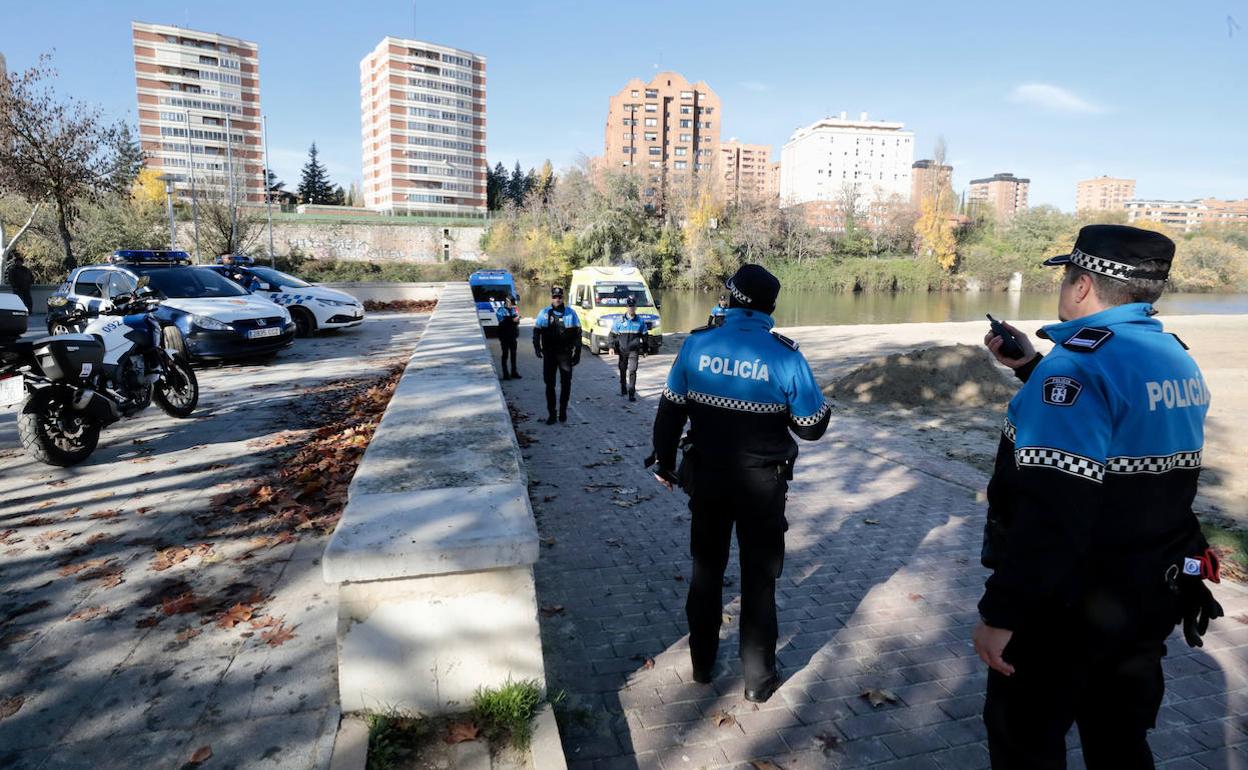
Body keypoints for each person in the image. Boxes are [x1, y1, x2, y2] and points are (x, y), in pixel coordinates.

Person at [974, 225, 1224, 768]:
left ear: (1083, 285)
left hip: (1067, 609)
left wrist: (1001, 614)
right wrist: (1029, 368)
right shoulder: (1173, 357)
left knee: (1025, 741)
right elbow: (1120, 437)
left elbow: (1052, 514)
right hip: (1146, 595)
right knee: (1118, 740)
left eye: (1066, 276)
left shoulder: (1077, 366)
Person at [649, 264, 830, 703]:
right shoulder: (785, 355)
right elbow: (809, 427)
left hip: (708, 481)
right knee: (759, 581)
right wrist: (821, 409)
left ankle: (701, 665)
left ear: (729, 300)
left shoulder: (697, 344)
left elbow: (670, 409)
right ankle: (758, 681)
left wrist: (664, 462)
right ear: (770, 307)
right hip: (763, 489)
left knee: (706, 573)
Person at [533, 286, 581, 425]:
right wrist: (537, 347)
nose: (557, 299)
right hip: (549, 354)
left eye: (559, 297)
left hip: (565, 354)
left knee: (566, 384)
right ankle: (552, 413)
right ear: (551, 297)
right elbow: (537, 331)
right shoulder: (544, 313)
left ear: (563, 298)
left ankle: (563, 411)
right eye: (554, 297)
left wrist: (577, 353)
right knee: (549, 384)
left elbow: (578, 335)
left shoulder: (571, 313)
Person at [609, 297, 648, 401]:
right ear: (626, 307)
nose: (631, 308)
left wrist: (645, 350)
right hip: (622, 350)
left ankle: (631, 393)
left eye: (633, 306)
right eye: (629, 306)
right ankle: (623, 387)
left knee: (632, 370)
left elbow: (645, 337)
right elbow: (612, 335)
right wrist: (611, 347)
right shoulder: (619, 321)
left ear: (636, 307)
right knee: (622, 370)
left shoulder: (640, 321)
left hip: (634, 351)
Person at [496, 296, 521, 380]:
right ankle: (505, 374)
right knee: (505, 354)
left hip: (513, 336)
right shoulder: (501, 310)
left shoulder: (513, 309)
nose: (512, 305)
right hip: (504, 336)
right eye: (511, 303)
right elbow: (502, 321)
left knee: (513, 354)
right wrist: (512, 320)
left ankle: (514, 372)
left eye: (513, 304)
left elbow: (517, 321)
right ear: (507, 302)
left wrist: (517, 320)